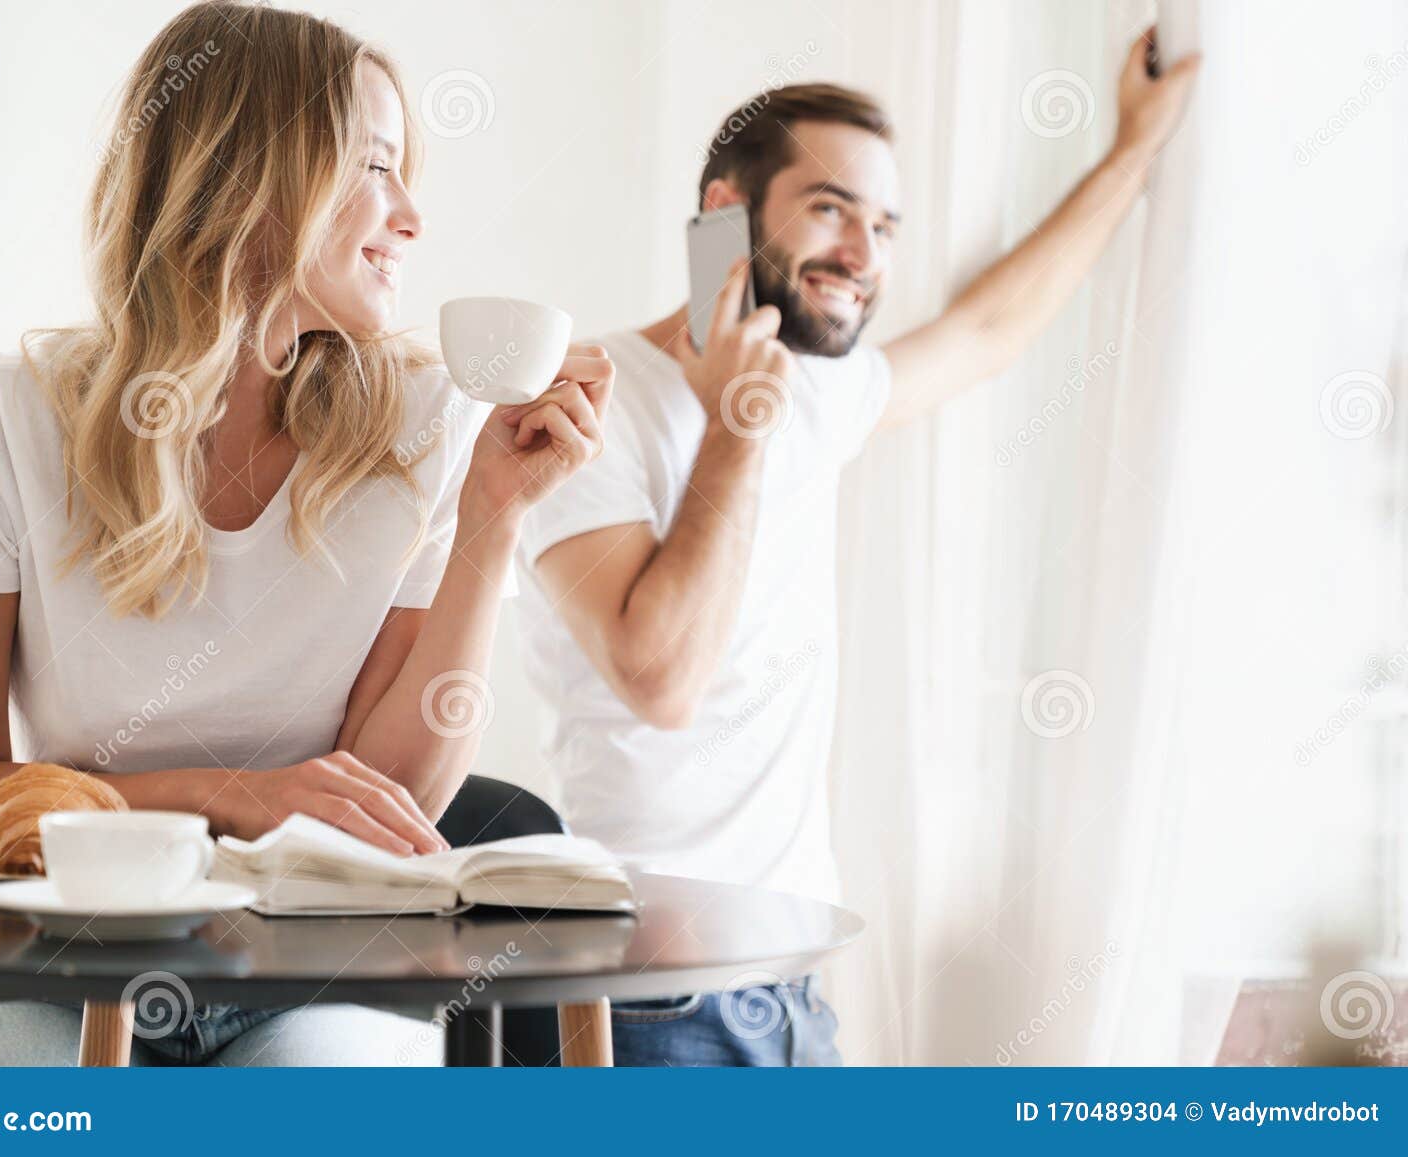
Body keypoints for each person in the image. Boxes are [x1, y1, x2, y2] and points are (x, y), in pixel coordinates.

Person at [0, 1, 612, 1066]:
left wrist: (493, 516)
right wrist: (225, 794)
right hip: (57, 955)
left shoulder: (428, 422)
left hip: (308, 966)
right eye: (374, 166)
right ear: (248, 178)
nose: (411, 217)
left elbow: (391, 797)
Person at [513, 31, 1199, 1065]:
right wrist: (737, 430)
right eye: (830, 207)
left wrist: (1134, 154)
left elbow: (983, 331)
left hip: (792, 986)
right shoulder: (585, 400)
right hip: (646, 999)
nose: (866, 255)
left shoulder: (815, 395)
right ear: (722, 215)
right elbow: (659, 676)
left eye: (883, 224)